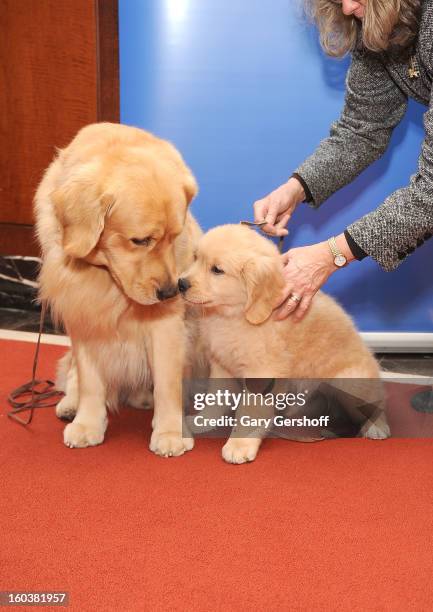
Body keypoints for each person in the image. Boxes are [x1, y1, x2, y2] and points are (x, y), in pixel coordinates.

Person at [254, 0, 433, 320]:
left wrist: (332, 254)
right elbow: (362, 130)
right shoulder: (376, 22)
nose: (348, 8)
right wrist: (297, 187)